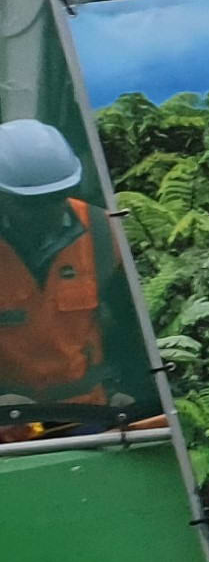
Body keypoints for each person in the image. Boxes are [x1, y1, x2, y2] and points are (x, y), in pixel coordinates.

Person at [0, 118, 108, 419]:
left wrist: (135, 397)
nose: (47, 212)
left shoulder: (103, 232)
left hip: (93, 416)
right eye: (30, 203)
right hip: (7, 423)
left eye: (56, 198)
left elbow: (133, 331)